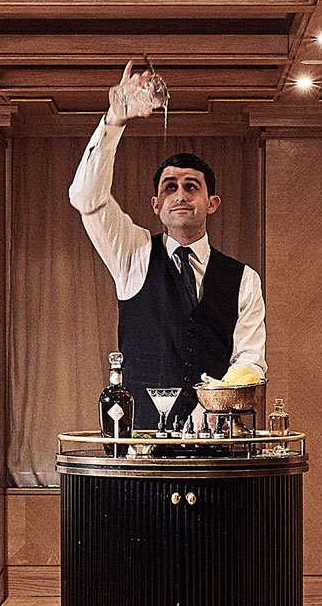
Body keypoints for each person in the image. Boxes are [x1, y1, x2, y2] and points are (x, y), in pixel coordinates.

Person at [68, 60, 266, 429]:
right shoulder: (133, 255)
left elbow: (249, 361)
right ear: (156, 205)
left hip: (215, 437)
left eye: (192, 186)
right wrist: (114, 122)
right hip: (140, 438)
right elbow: (85, 197)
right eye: (169, 187)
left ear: (212, 202)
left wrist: (210, 409)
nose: (180, 195)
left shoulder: (244, 279)